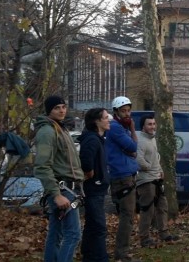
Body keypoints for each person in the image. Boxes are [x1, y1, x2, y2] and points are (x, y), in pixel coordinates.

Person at [33, 95, 84, 262]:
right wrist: (56, 194)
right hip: (62, 190)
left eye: (63, 106)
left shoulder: (59, 128)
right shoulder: (47, 131)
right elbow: (42, 166)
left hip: (66, 188)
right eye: (57, 108)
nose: (62, 110)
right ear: (49, 111)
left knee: (56, 234)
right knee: (73, 234)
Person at [105, 96, 139, 262]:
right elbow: (133, 147)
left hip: (127, 174)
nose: (127, 114)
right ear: (116, 112)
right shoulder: (117, 128)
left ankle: (123, 250)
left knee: (128, 214)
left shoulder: (120, 127)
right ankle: (122, 253)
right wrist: (133, 129)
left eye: (128, 110)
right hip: (122, 176)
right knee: (127, 215)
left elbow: (132, 151)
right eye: (123, 111)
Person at [136, 114, 176, 247]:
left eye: (154, 124)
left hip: (157, 179)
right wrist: (149, 168)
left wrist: (160, 170)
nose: (153, 126)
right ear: (143, 126)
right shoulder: (140, 140)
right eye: (149, 124)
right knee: (147, 210)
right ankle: (144, 238)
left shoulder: (152, 139)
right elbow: (138, 160)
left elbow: (155, 157)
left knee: (162, 206)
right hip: (146, 181)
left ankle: (164, 233)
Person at [78, 108, 111, 262]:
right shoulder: (92, 139)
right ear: (97, 121)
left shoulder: (98, 139)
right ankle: (99, 257)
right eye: (105, 117)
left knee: (92, 224)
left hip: (98, 188)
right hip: (93, 189)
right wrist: (92, 174)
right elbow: (86, 162)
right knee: (98, 226)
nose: (108, 120)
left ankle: (89, 255)